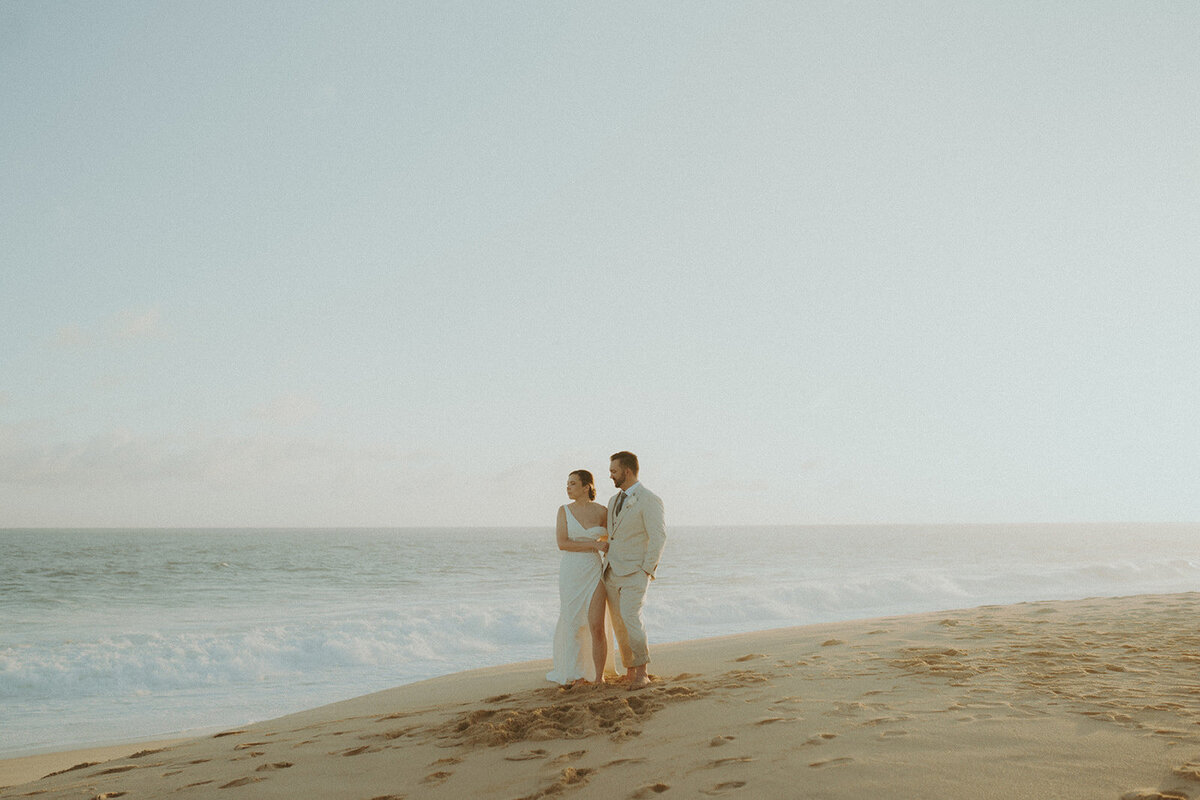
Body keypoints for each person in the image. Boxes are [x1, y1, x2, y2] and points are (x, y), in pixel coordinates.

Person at [604, 451, 666, 690]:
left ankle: (642, 672)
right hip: (611, 571)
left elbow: (658, 536)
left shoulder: (649, 499)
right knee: (619, 622)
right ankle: (630, 669)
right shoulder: (612, 501)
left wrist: (647, 570)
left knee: (631, 618)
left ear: (627, 471)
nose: (611, 475)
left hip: (635, 573)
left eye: (614, 471)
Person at [546, 469, 612, 686]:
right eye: (567, 483)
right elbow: (563, 543)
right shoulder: (563, 511)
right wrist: (594, 543)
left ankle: (599, 676)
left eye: (573, 483)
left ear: (587, 487)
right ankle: (575, 674)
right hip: (571, 572)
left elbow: (614, 538)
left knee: (596, 626)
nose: (568, 487)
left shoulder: (603, 511)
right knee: (573, 623)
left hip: (594, 570)